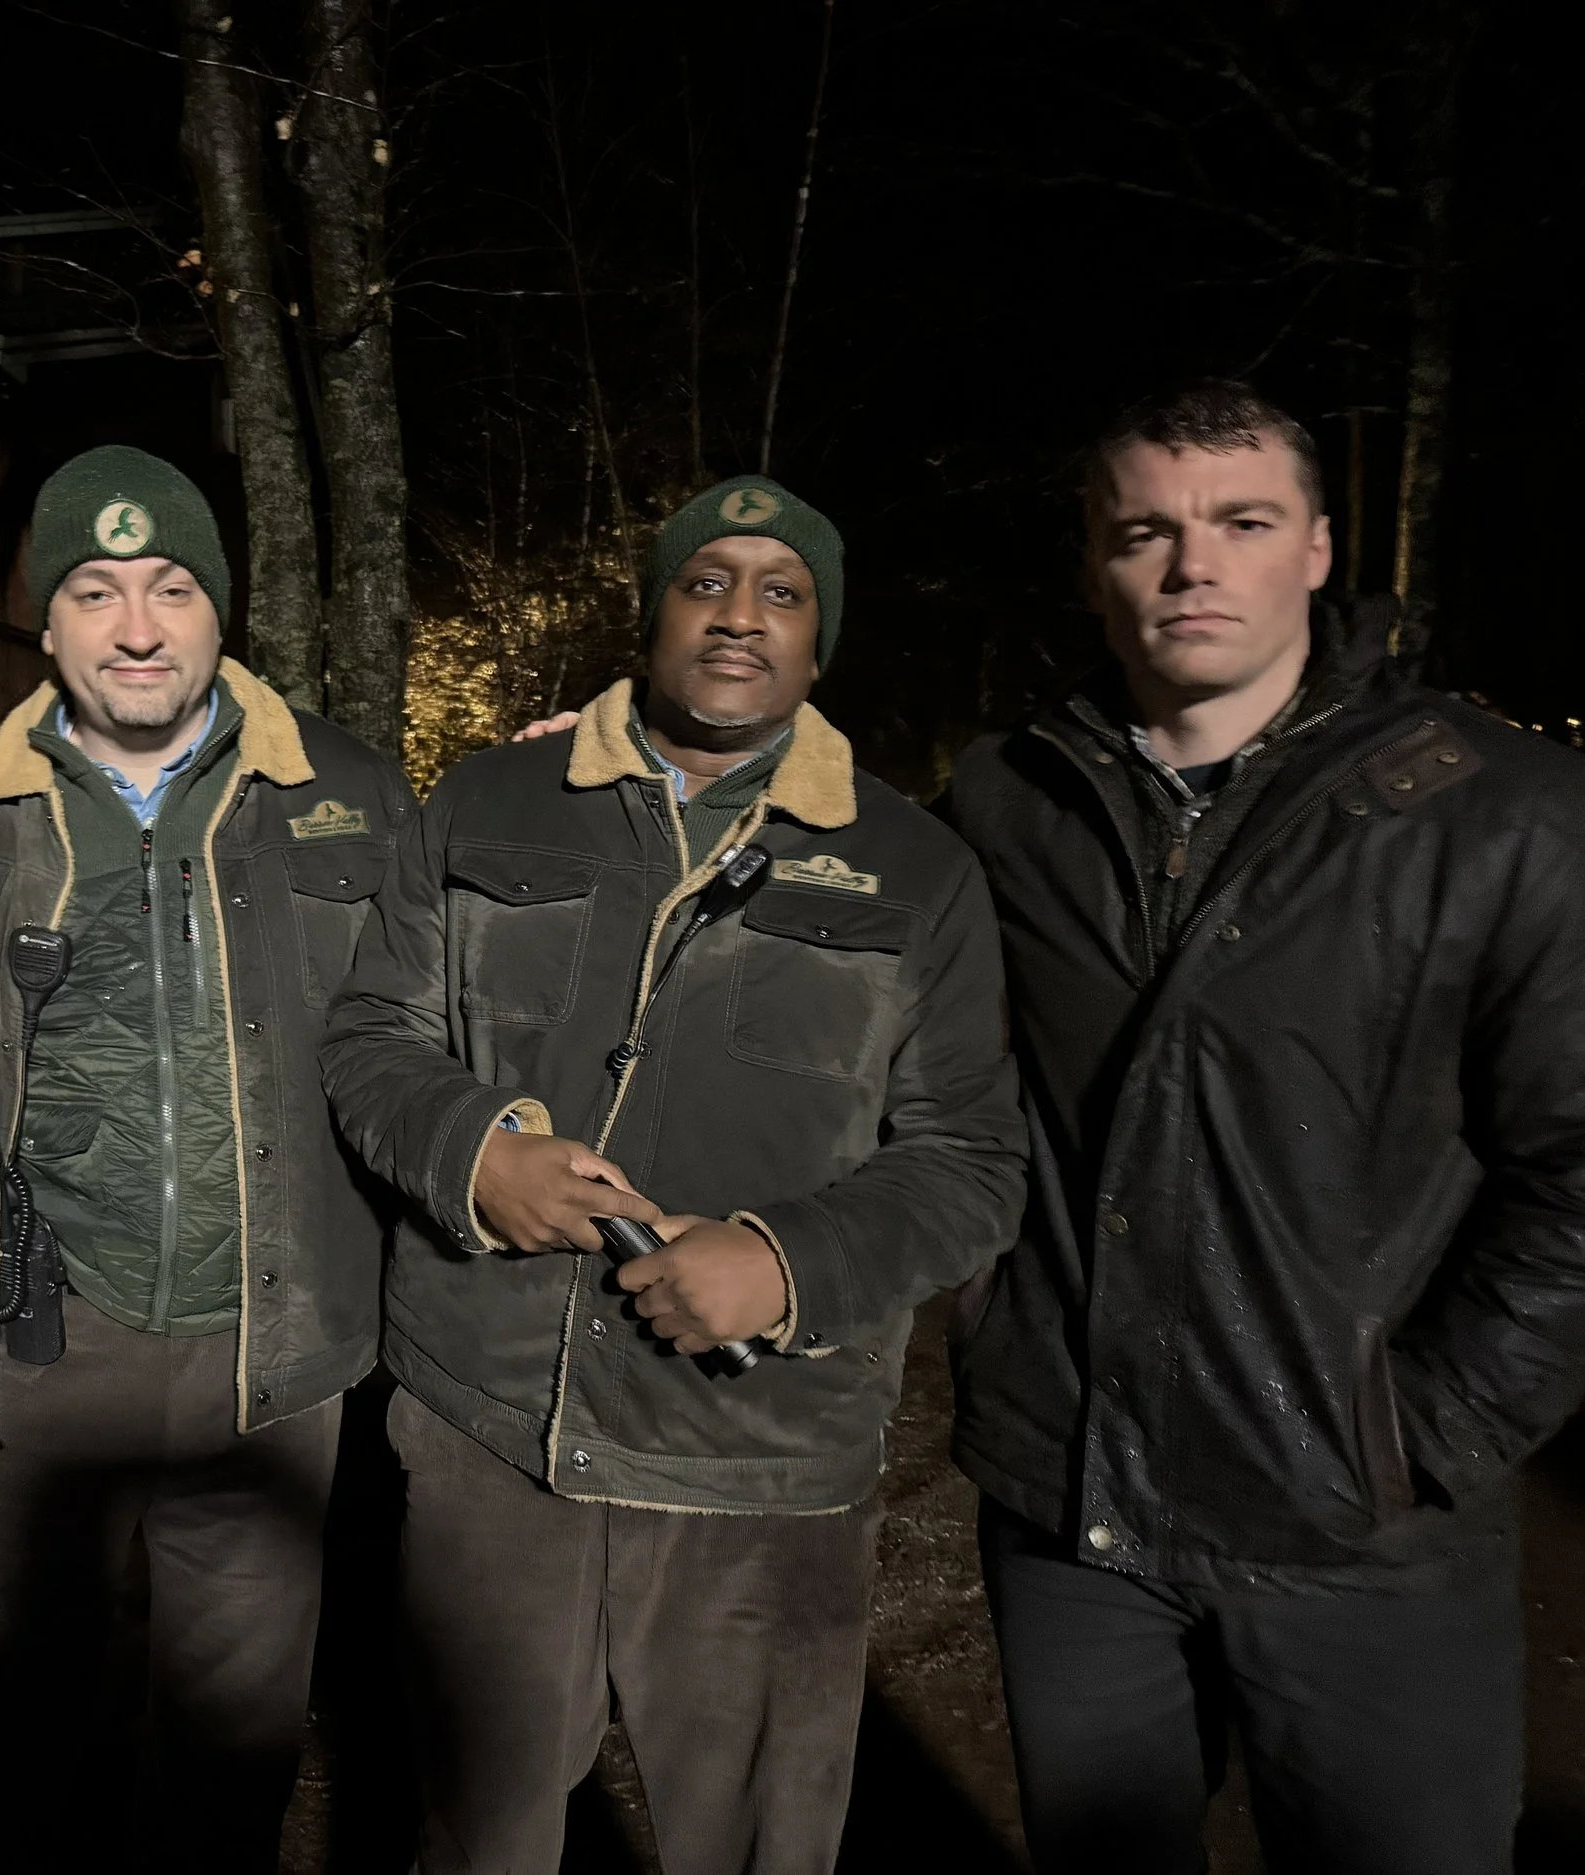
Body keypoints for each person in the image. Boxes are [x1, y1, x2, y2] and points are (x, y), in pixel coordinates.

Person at [320, 476, 1027, 1875]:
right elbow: (369, 1034)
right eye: (707, 582)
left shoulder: (917, 870)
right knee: (477, 1833)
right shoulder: (488, 802)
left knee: (756, 1844)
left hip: (757, 1458)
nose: (739, 617)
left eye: (782, 593)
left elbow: (972, 1158)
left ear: (819, 644)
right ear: (653, 617)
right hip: (490, 1433)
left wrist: (789, 1262)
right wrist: (474, 1153)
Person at [943, 379, 1585, 1875]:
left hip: (1362, 1533)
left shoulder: (1504, 813)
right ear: (1093, 563)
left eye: (1242, 522)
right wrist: (636, 770)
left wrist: (1423, 1435)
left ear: (1317, 548)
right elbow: (846, 935)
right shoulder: (1007, 799)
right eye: (1145, 532)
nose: (1193, 565)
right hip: (1073, 1508)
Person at [0, 446, 413, 1874]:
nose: (137, 627)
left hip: (273, 1352)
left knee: (228, 1770)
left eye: (171, 587)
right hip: (34, 1353)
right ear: (45, 624)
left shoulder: (350, 794)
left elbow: (439, 1028)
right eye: (96, 591)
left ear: (217, 607)